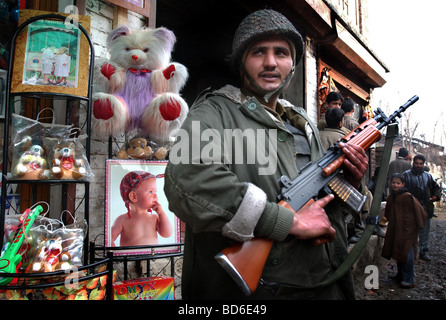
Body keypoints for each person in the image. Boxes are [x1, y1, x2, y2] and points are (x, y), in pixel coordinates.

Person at [164, 9, 368, 300]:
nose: (271, 62)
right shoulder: (215, 111)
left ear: (293, 65)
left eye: (281, 53)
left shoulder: (303, 122)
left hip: (324, 283)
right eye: (259, 52)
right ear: (241, 61)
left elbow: (322, 206)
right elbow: (186, 180)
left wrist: (347, 179)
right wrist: (288, 221)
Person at [381, 173, 426, 288]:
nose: (395, 185)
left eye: (398, 183)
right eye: (393, 183)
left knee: (407, 254)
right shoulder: (391, 197)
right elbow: (389, 213)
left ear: (403, 184)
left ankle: (408, 279)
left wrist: (412, 227)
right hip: (397, 229)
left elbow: (419, 212)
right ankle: (400, 275)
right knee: (398, 252)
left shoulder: (407, 197)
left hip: (407, 230)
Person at [111, 171, 172, 246]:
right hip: (131, 257)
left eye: (155, 191)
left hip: (151, 257)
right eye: (150, 192)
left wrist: (161, 213)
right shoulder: (122, 220)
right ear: (133, 196)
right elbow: (109, 239)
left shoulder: (154, 218)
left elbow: (167, 234)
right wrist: (115, 253)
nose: (155, 195)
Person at [402, 154, 441, 261]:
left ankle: (423, 251)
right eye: (416, 163)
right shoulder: (406, 175)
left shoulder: (427, 176)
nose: (418, 166)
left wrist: (435, 196)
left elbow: (436, 188)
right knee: (409, 232)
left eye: (420, 164)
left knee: (424, 231)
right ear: (413, 163)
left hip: (425, 208)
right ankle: (409, 253)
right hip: (410, 209)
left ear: (423, 164)